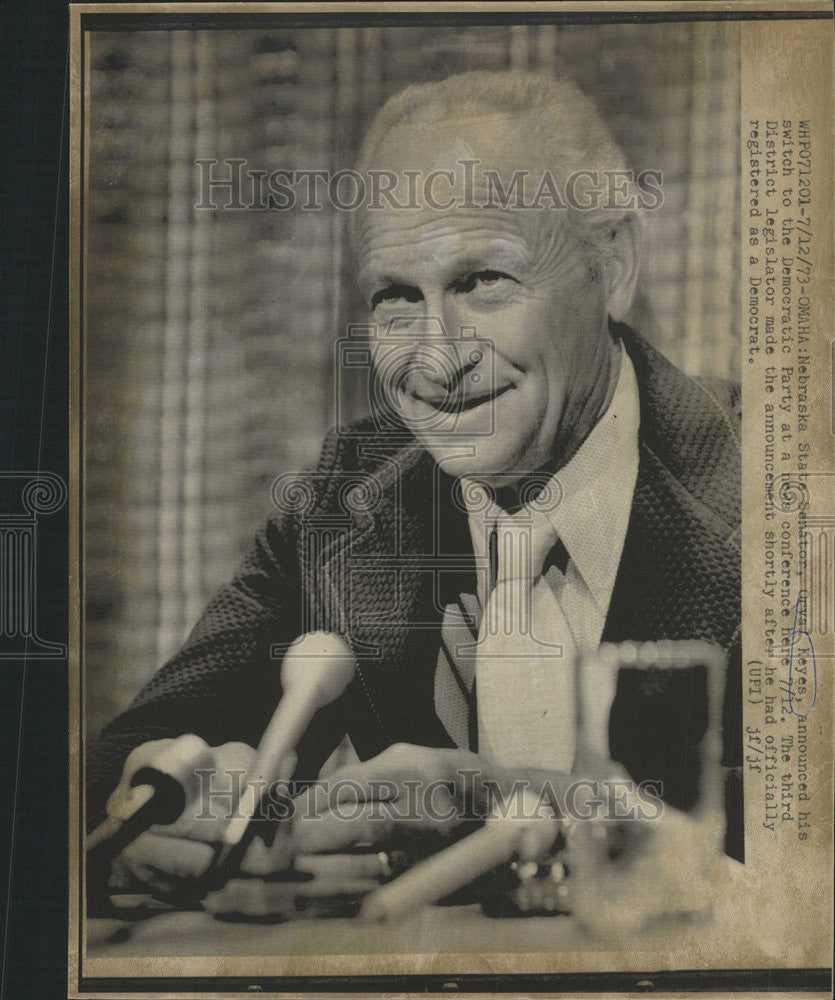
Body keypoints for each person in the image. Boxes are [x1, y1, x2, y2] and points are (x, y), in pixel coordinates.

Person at [86, 71, 742, 905]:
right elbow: (110, 772)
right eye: (396, 298)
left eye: (480, 282)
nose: (436, 358)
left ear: (611, 263)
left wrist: (523, 816)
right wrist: (155, 816)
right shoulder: (341, 502)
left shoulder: (783, 487)